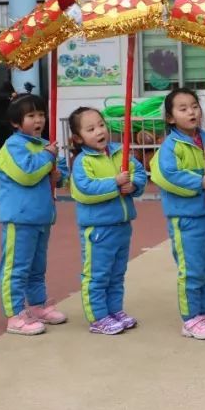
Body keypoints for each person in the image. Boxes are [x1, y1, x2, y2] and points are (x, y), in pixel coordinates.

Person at [149, 88, 205, 340]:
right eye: (183, 109)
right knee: (191, 269)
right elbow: (169, 175)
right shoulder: (171, 146)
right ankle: (190, 318)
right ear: (170, 118)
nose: (191, 111)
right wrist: (200, 181)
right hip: (186, 218)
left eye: (194, 106)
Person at [67, 107, 147, 335]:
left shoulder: (120, 153)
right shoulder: (83, 162)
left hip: (122, 225)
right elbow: (86, 188)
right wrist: (115, 182)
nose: (99, 131)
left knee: (116, 273)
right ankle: (98, 316)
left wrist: (134, 185)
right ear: (78, 138)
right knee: (97, 273)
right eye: (91, 129)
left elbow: (139, 171)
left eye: (101, 125)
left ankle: (115, 310)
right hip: (98, 229)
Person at [0, 93, 68, 335]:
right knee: (16, 267)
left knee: (37, 267)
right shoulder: (12, 147)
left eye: (41, 114)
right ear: (16, 122)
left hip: (42, 217)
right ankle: (15, 315)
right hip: (20, 217)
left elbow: (58, 174)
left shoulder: (45, 144)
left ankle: (37, 305)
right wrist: (48, 156)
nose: (39, 120)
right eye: (31, 115)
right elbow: (26, 174)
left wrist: (59, 176)